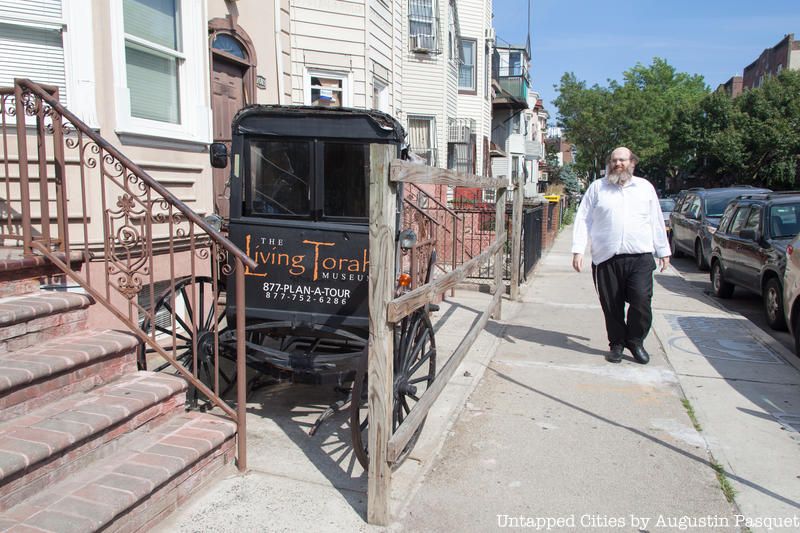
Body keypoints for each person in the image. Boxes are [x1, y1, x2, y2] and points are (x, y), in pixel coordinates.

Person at [571, 147, 670, 364]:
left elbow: (655, 220)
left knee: (641, 302)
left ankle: (635, 341)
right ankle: (616, 344)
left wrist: (663, 250)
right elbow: (584, 218)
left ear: (632, 162)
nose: (618, 164)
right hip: (606, 257)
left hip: (640, 256)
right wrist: (578, 249)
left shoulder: (644, 188)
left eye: (622, 160)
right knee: (612, 305)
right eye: (614, 160)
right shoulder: (598, 188)